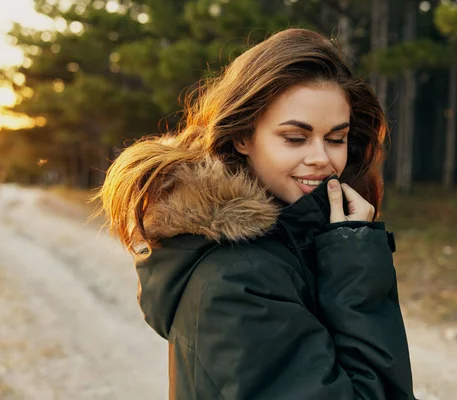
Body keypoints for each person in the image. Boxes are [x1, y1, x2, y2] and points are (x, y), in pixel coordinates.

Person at [97, 28, 416, 399]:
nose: (321, 159)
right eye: (295, 138)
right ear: (243, 137)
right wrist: (355, 258)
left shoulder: (288, 242)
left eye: (336, 139)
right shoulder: (239, 277)